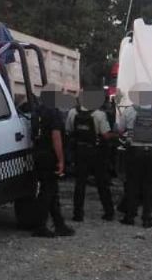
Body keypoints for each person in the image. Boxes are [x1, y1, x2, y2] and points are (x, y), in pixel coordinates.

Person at [116, 83, 152, 228]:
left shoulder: (129, 111)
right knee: (149, 186)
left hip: (134, 151)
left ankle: (130, 216)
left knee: (133, 185)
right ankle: (147, 218)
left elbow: (120, 130)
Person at [67, 87, 116, 222]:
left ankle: (78, 214)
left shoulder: (72, 112)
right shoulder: (99, 115)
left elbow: (69, 130)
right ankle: (108, 212)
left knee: (80, 183)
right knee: (102, 183)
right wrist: (116, 134)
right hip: (96, 152)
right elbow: (105, 136)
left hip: (79, 151)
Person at [31, 89, 75, 237]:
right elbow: (56, 137)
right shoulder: (53, 113)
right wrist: (61, 160)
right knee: (47, 191)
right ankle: (40, 226)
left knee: (52, 191)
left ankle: (59, 224)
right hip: (50, 155)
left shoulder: (37, 112)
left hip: (38, 154)